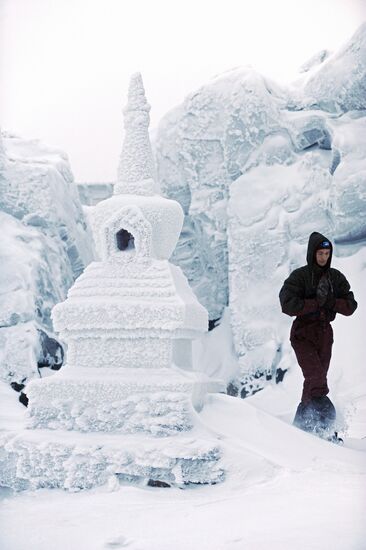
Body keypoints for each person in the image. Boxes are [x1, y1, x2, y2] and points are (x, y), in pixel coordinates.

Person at [279, 231, 357, 434]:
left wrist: (331, 302)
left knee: (315, 379)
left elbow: (350, 306)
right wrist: (314, 303)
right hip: (303, 333)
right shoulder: (300, 276)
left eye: (326, 253)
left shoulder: (335, 278)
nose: (323, 257)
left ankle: (301, 428)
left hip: (324, 334)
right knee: (317, 379)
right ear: (312, 253)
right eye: (320, 253)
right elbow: (287, 304)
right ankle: (326, 426)